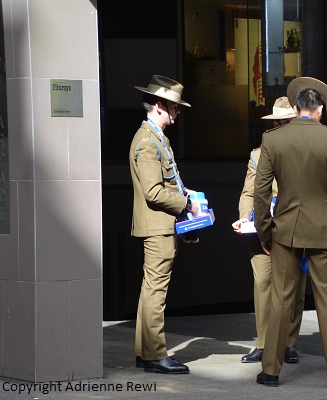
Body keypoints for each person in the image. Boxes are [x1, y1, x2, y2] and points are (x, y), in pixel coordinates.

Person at [253, 77, 327, 389]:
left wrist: (264, 231)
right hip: (323, 229)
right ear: (320, 109)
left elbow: (260, 193)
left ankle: (270, 372)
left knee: (280, 300)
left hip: (284, 229)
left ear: (296, 109)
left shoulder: (272, 140)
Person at [129, 75, 198, 374]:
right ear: (159, 106)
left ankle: (146, 352)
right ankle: (155, 355)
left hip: (159, 225)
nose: (178, 112)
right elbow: (153, 191)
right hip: (158, 227)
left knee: (151, 290)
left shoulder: (155, 138)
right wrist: (187, 204)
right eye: (174, 106)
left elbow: (165, 184)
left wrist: (185, 193)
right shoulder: (148, 141)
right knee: (156, 292)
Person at [232, 97, 306, 364]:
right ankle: (264, 344)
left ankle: (289, 343)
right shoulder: (258, 154)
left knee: (294, 288)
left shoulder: (304, 150)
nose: (281, 126)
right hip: (262, 228)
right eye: (278, 122)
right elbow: (248, 193)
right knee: (263, 285)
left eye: (287, 121)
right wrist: (244, 219)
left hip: (295, 226)